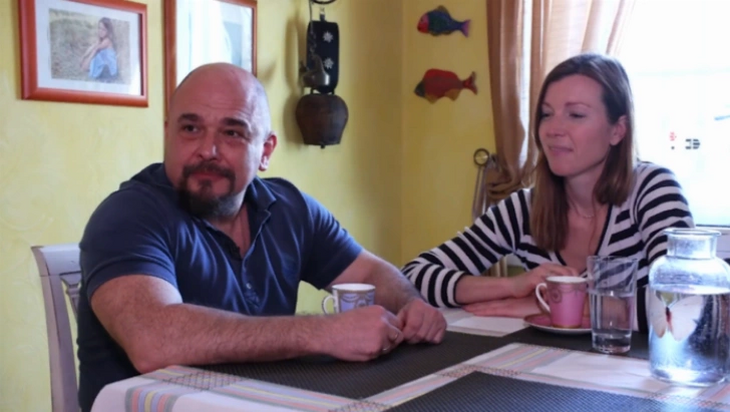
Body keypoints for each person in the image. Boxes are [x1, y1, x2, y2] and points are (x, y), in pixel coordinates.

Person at [76, 63, 446, 412]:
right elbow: (154, 340)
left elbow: (368, 273)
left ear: (265, 151)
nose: (207, 150)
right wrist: (322, 333)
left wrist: (409, 303)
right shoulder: (127, 216)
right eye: (190, 128)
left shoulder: (291, 208)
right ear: (168, 133)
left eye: (232, 133)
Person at [402, 53, 693, 333]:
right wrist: (515, 287)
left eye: (576, 114)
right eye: (546, 114)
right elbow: (413, 276)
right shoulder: (524, 208)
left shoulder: (652, 189)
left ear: (617, 130)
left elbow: (686, 302)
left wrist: (558, 305)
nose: (553, 129)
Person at [80, 17, 118, 82]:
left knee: (96, 57)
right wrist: (83, 56)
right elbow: (92, 47)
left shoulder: (107, 41)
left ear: (108, 31)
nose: (100, 31)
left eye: (103, 29)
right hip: (104, 65)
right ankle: (93, 70)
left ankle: (100, 75)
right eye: (99, 28)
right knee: (96, 58)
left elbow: (95, 50)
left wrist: (86, 64)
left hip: (109, 69)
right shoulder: (100, 40)